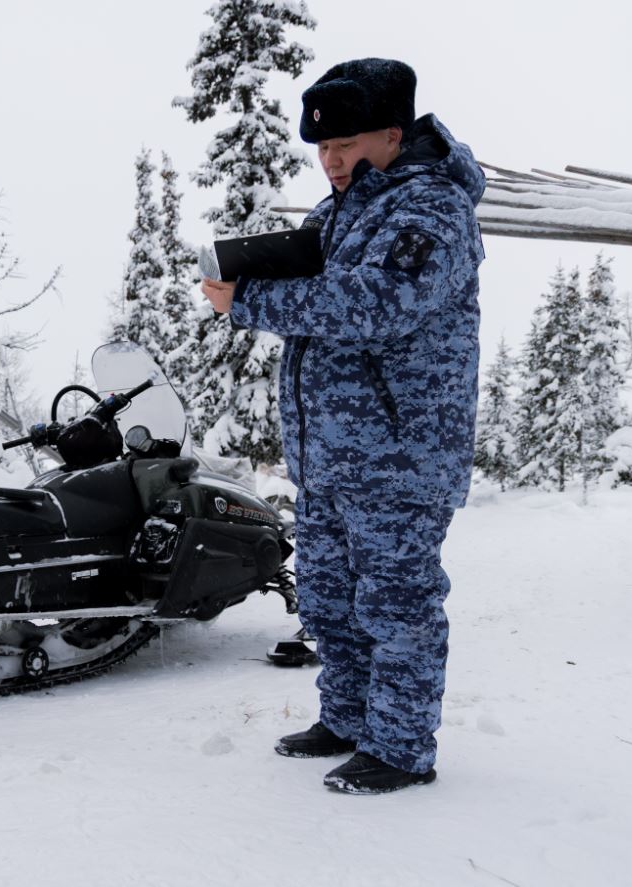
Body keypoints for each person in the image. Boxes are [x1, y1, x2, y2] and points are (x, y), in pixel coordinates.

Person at [201, 58, 484, 794]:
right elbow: (317, 297)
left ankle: (400, 748)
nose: (329, 160)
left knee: (396, 606)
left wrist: (249, 300)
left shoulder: (433, 208)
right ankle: (350, 720)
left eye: (344, 144)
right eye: (322, 148)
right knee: (329, 601)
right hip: (329, 457)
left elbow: (376, 305)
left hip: (401, 457)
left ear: (393, 134)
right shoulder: (337, 214)